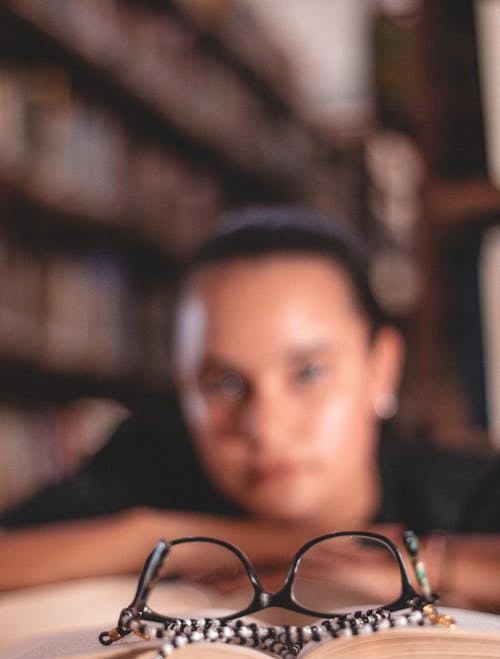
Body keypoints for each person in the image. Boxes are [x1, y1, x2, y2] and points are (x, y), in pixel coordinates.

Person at [1, 205, 500, 612]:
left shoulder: (466, 491)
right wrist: (164, 538)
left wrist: (412, 565)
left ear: (382, 368)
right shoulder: (147, 460)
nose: (264, 427)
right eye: (224, 383)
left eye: (309, 373)